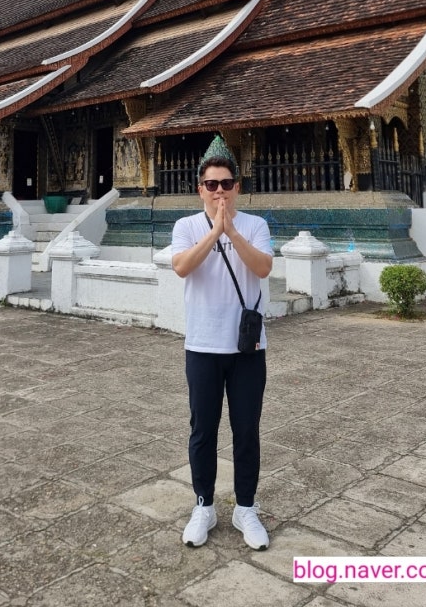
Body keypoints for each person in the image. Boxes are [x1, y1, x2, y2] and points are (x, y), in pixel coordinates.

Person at [172, 138, 273, 550]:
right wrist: (215, 230)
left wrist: (231, 229)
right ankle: (204, 505)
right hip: (203, 345)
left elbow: (263, 268)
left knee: (246, 429)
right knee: (203, 430)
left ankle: (245, 507)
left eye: (226, 184)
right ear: (200, 189)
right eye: (211, 185)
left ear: (237, 187)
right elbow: (182, 267)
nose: (219, 192)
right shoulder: (186, 227)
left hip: (247, 349)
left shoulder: (255, 226)